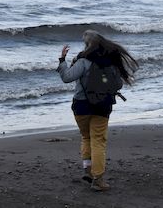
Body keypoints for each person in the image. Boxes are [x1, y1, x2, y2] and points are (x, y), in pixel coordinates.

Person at [56, 30, 138, 192]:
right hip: (102, 106)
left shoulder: (82, 61)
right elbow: (118, 85)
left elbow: (66, 77)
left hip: (81, 106)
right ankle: (98, 179)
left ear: (87, 45)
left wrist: (62, 60)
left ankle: (87, 170)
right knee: (98, 140)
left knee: (86, 137)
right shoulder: (110, 61)